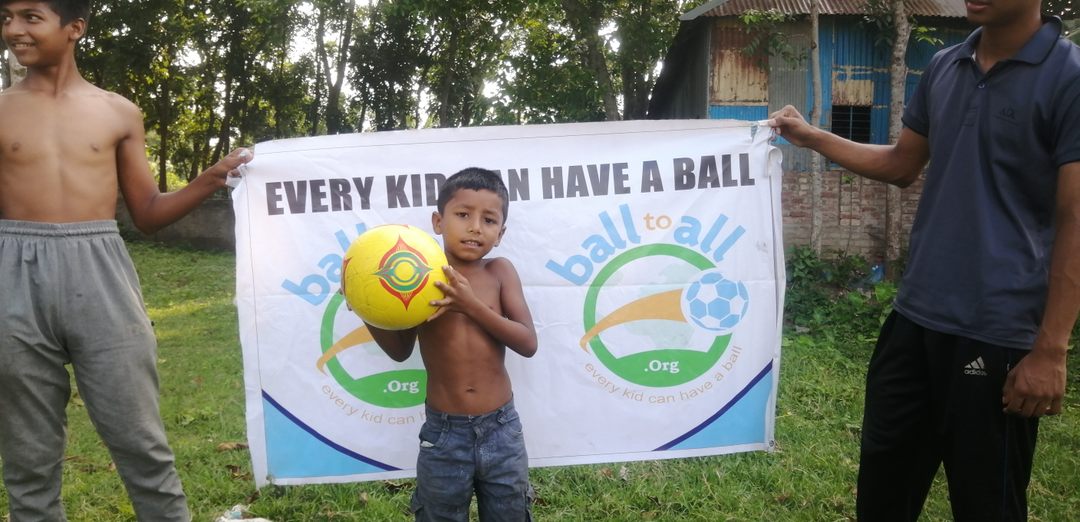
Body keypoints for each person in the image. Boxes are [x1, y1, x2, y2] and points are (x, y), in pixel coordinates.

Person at [769, 1, 1080, 519]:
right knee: (882, 495)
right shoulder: (944, 65)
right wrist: (812, 136)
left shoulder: (1068, 77)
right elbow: (901, 164)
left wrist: (1051, 349)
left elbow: (1075, 217)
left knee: (986, 504)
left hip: (996, 331)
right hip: (913, 322)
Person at [0, 1, 252, 520]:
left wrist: (209, 178)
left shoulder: (117, 112)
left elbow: (148, 214)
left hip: (102, 275)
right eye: (6, 17)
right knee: (28, 456)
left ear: (74, 28)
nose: (13, 29)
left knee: (140, 441)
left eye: (30, 16)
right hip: (13, 277)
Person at [362, 167, 538, 521]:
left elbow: (527, 342)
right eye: (463, 215)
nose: (475, 227)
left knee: (509, 513)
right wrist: (366, 308)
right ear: (438, 222)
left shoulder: (499, 272)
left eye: (489, 220)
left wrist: (471, 305)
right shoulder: (420, 280)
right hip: (443, 433)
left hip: (501, 429)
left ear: (500, 233)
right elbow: (399, 351)